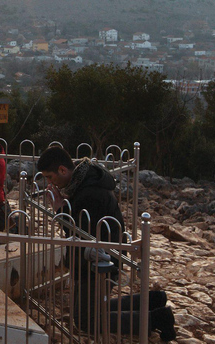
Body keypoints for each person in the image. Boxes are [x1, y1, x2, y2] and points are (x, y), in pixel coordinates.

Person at [37, 146, 176, 342]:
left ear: (62, 170)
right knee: (88, 311)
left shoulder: (89, 193)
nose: (49, 182)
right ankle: (153, 300)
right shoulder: (83, 182)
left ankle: (157, 318)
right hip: (96, 259)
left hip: (98, 263)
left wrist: (60, 210)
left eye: (50, 177)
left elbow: (81, 235)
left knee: (86, 321)